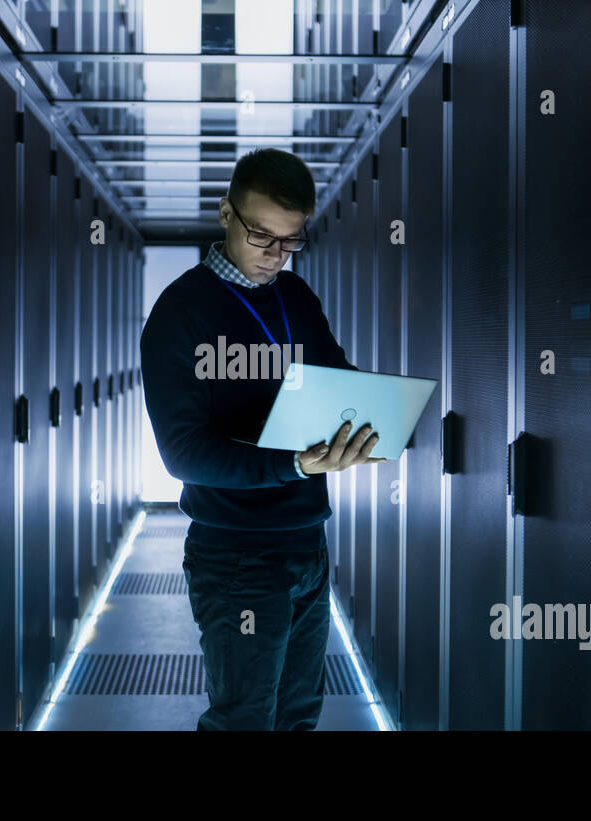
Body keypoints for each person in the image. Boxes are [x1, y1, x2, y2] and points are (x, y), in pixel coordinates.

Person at [139, 148, 384, 731]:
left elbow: (334, 377)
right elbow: (183, 455)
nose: (275, 256)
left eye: (290, 241)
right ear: (226, 213)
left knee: (298, 716)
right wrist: (293, 465)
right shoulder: (180, 312)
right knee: (244, 719)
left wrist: (375, 416)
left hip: (308, 542)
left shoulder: (295, 297)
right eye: (261, 236)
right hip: (236, 555)